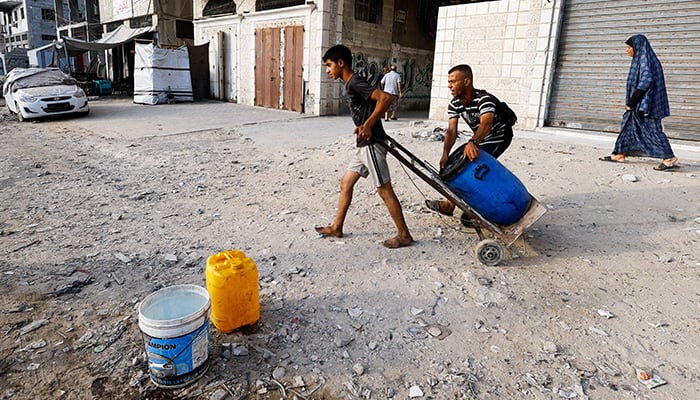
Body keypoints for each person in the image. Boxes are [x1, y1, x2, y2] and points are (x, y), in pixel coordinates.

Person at [315, 45, 413, 249]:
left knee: (384, 190)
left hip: (372, 145)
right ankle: (337, 227)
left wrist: (368, 125)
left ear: (341, 63)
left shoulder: (355, 82)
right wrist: (363, 124)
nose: (327, 70)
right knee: (345, 183)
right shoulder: (351, 83)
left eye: (329, 65)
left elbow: (386, 98)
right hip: (362, 145)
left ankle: (404, 235)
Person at [425, 64, 514, 217]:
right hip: (480, 138)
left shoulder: (484, 99)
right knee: (451, 164)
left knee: (468, 166)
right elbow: (452, 131)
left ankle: (468, 205)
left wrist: (472, 142)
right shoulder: (455, 103)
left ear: (466, 82)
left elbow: (486, 124)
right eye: (449, 82)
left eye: (453, 81)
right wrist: (445, 154)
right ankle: (452, 203)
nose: (449, 86)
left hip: (500, 136)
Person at [599, 34, 678, 171]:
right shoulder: (641, 60)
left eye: (629, 47)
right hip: (639, 104)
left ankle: (669, 157)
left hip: (646, 104)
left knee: (653, 129)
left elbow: (646, 81)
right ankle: (619, 154)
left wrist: (632, 101)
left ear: (637, 48)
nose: (627, 50)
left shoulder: (645, 61)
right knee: (627, 125)